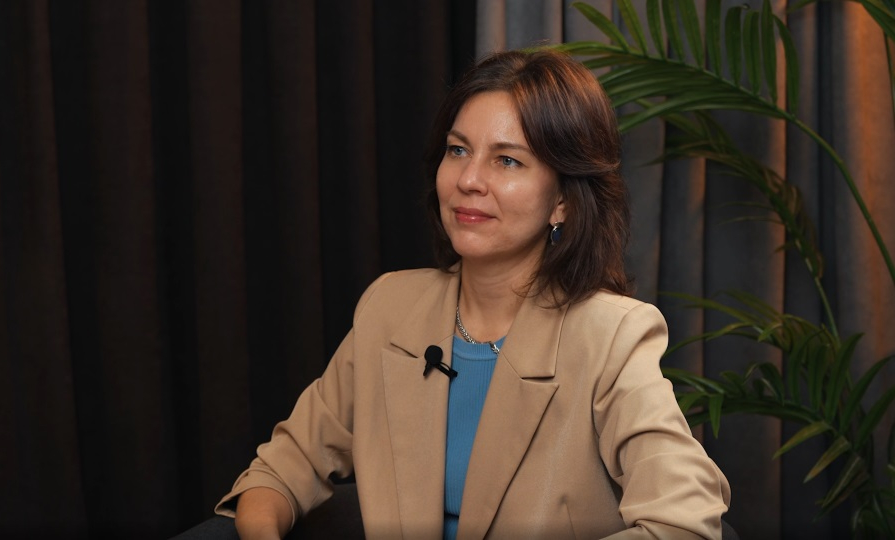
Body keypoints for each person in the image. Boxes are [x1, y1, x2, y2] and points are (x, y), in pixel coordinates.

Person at [216, 49, 731, 539]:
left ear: (563, 202)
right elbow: (279, 471)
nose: (468, 179)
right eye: (458, 150)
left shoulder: (611, 335)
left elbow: (684, 521)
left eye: (507, 161)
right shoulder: (389, 308)